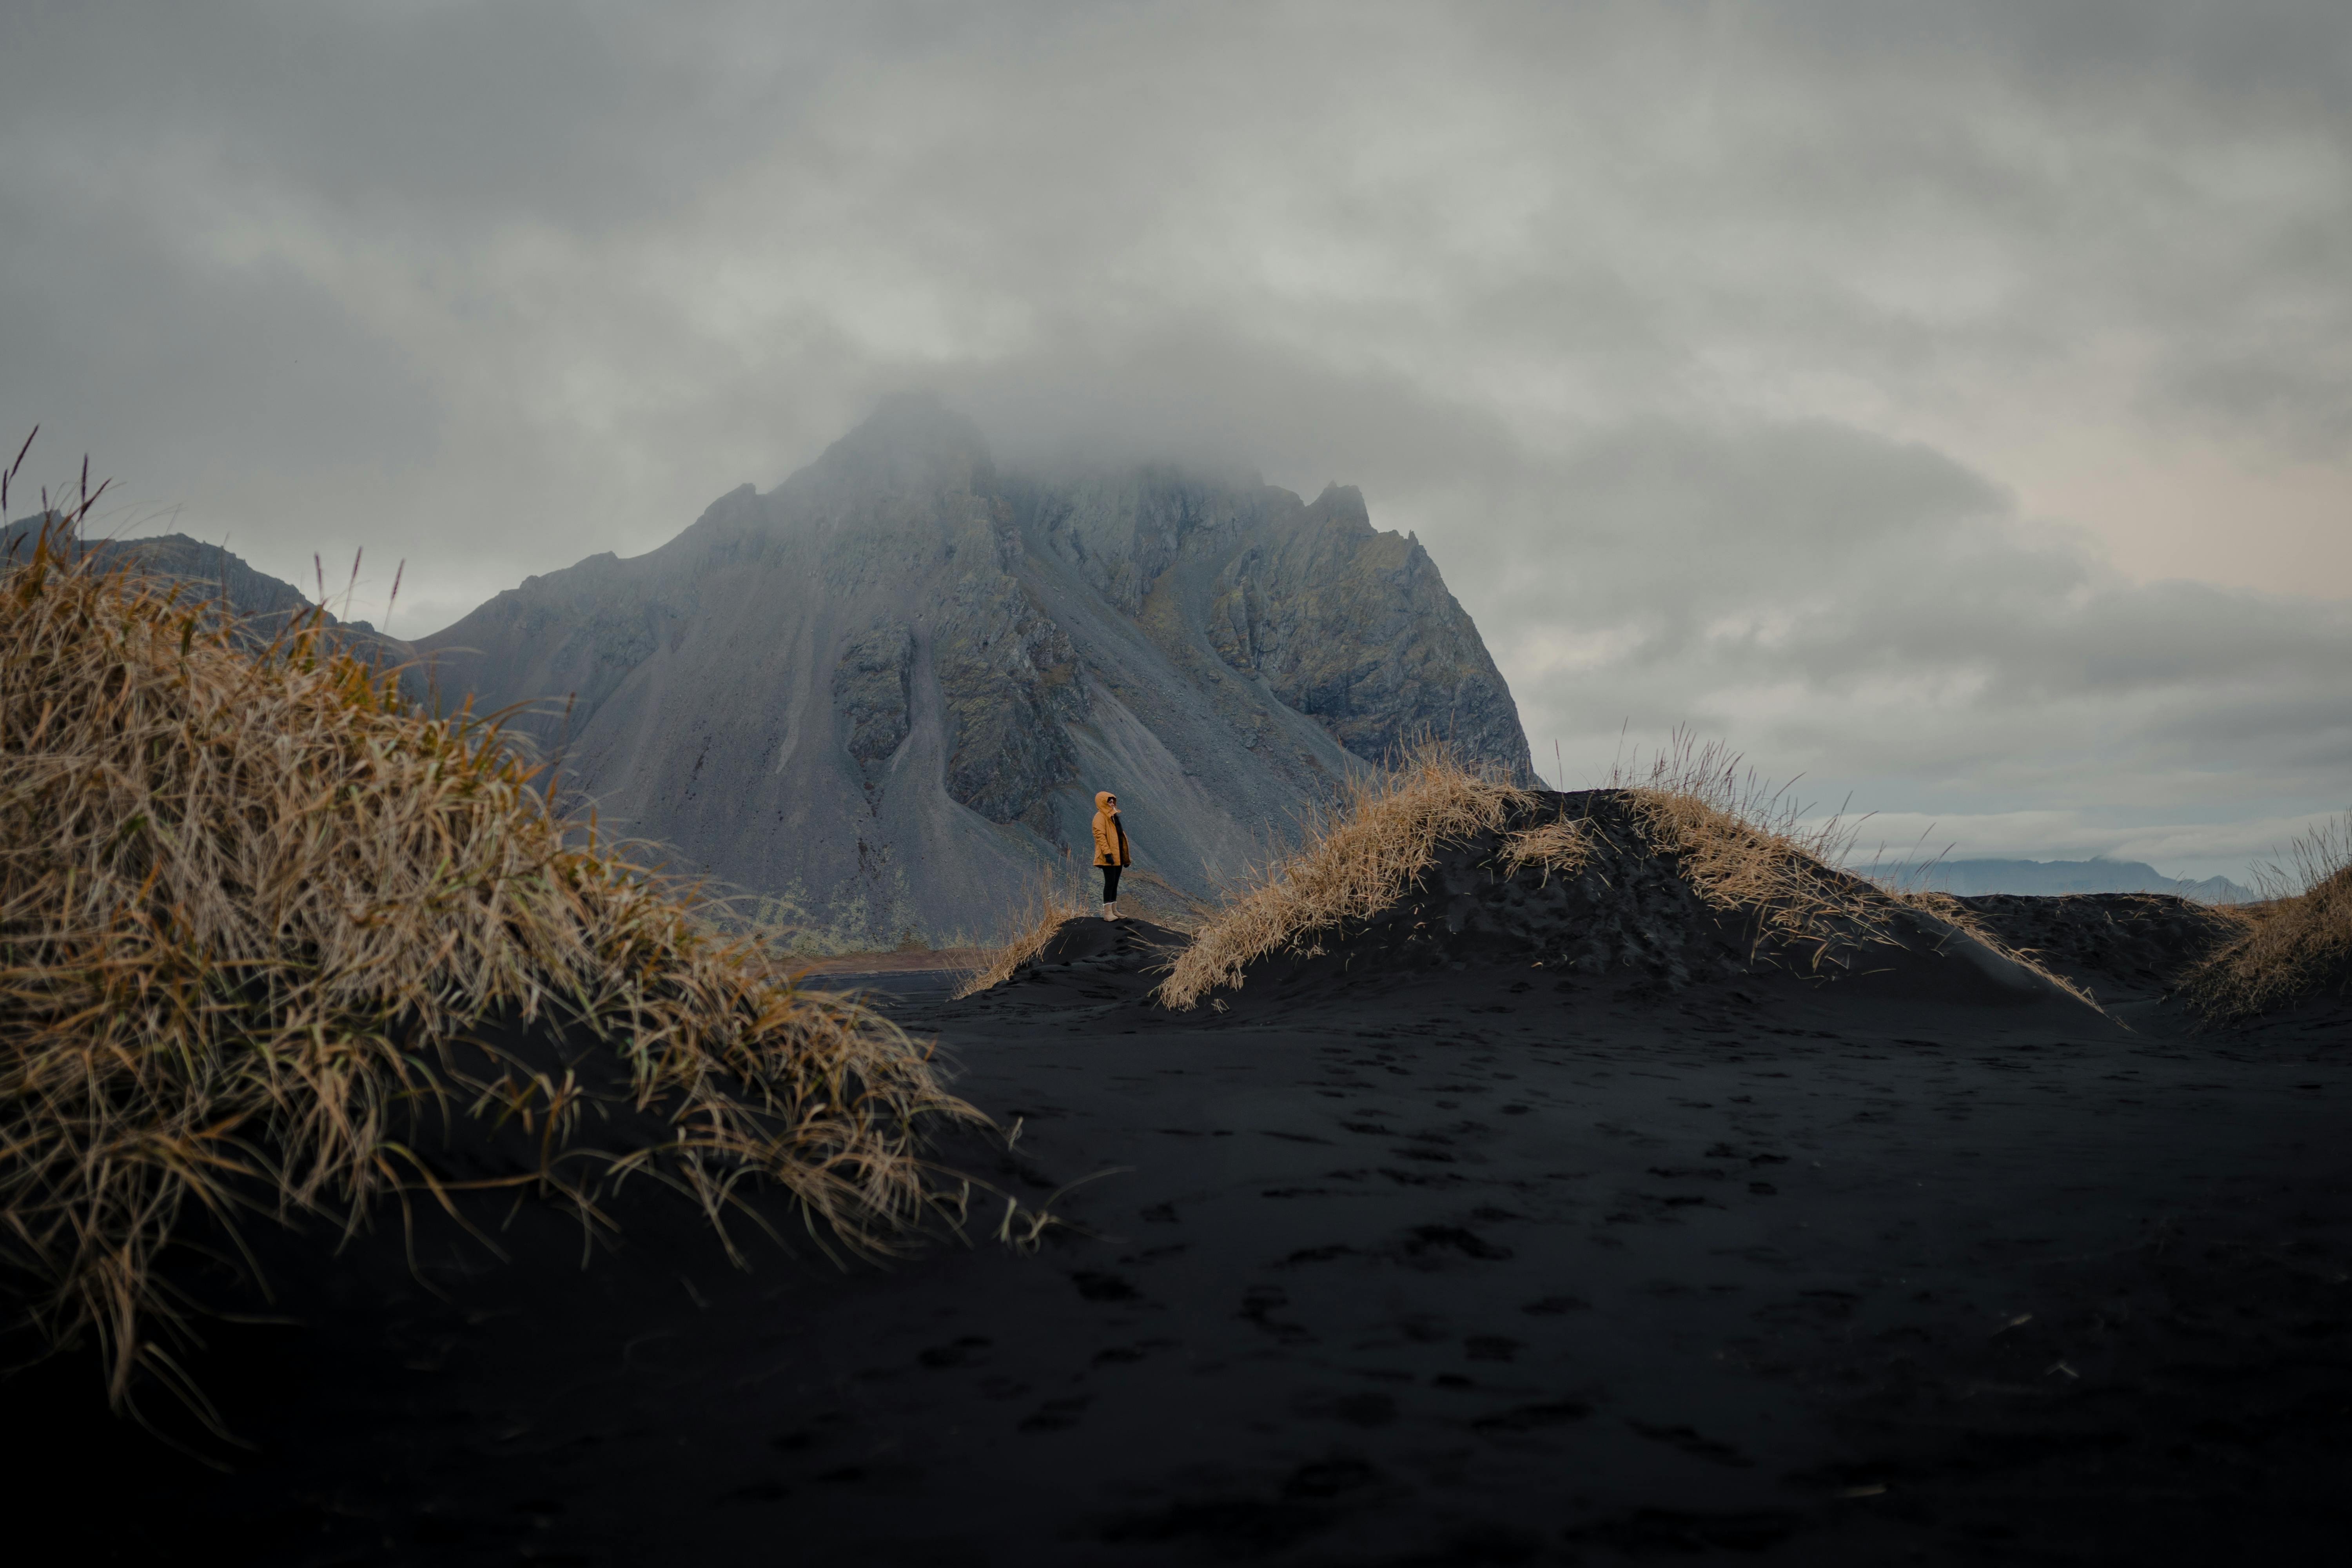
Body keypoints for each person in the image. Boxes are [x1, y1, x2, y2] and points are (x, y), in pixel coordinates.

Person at [1091, 789, 1132, 920]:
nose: (1112, 803)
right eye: (1109, 801)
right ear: (1103, 802)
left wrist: (1123, 857)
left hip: (1117, 856)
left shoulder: (1113, 817)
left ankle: (1114, 910)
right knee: (1109, 883)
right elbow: (1100, 836)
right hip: (1108, 857)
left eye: (1113, 800)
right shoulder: (1100, 817)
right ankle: (1107, 913)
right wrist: (1108, 854)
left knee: (1115, 883)